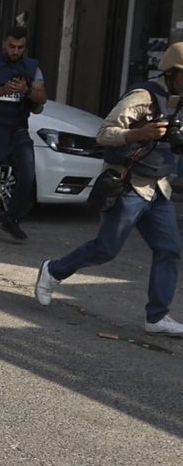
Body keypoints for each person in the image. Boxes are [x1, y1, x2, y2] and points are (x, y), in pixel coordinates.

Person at [36, 43, 183, 336]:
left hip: (159, 187)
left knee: (169, 250)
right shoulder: (143, 96)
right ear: (172, 72)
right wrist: (138, 133)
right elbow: (104, 133)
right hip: (129, 185)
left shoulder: (177, 99)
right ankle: (53, 270)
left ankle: (156, 317)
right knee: (106, 249)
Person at [0, 25, 46, 240]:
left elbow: (41, 98)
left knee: (27, 175)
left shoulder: (31, 67)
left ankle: (12, 219)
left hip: (18, 128)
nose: (16, 51)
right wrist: (3, 90)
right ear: (4, 43)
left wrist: (26, 90)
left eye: (20, 47)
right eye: (12, 46)